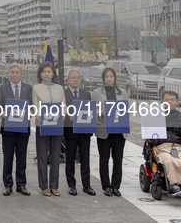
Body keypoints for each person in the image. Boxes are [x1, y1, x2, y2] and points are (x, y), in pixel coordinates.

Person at [91, 67, 129, 197]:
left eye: (111, 76)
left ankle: (116, 186)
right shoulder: (96, 92)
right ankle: (106, 186)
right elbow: (92, 110)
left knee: (118, 160)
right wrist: (99, 113)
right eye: (106, 76)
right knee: (104, 159)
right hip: (104, 131)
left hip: (119, 131)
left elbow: (126, 110)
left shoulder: (122, 92)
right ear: (103, 78)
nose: (109, 78)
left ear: (115, 78)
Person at [0, 63, 33, 196]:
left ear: (21, 74)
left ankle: (21, 184)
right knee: (8, 157)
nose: (15, 74)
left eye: (17, 72)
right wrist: (1, 112)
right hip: (8, 128)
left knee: (22, 157)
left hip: (23, 128)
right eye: (12, 72)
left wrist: (31, 112)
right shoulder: (2, 88)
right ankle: (8, 184)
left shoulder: (28, 88)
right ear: (9, 74)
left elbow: (33, 106)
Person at [32, 61, 66, 197]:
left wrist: (63, 113)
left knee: (55, 155)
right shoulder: (35, 88)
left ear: (53, 74)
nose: (47, 74)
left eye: (49, 72)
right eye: (44, 72)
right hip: (42, 125)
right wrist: (37, 114)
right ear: (40, 73)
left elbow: (63, 104)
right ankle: (43, 185)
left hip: (57, 125)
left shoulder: (60, 88)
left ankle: (54, 185)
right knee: (41, 155)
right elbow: (34, 105)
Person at [63, 68, 95, 196]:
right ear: (68, 79)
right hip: (70, 130)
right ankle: (71, 185)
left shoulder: (86, 94)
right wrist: (68, 115)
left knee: (85, 158)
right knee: (70, 158)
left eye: (77, 77)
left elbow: (89, 110)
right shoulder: (63, 94)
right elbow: (61, 110)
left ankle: (86, 185)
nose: (75, 79)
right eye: (73, 77)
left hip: (84, 131)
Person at [151, 91, 181, 197]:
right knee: (168, 160)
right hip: (161, 147)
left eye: (172, 100)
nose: (170, 102)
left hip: (178, 147)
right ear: (162, 102)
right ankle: (173, 185)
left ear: (177, 102)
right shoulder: (155, 115)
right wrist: (153, 145)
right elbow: (150, 132)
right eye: (167, 100)